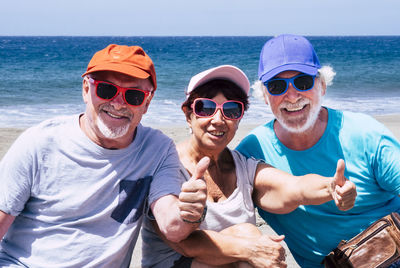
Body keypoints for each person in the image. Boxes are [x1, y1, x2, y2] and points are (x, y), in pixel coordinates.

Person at [0, 44, 208, 267]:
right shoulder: (39, 144)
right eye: (106, 90)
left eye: (134, 96)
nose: (118, 103)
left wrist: (191, 211)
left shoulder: (157, 149)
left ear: (147, 103)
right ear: (86, 90)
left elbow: (172, 226)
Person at [141, 65, 357, 268]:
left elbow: (294, 187)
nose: (218, 119)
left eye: (231, 110)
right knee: (249, 238)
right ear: (189, 115)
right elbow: (184, 243)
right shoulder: (166, 167)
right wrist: (252, 248)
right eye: (205, 108)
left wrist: (331, 187)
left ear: (239, 118)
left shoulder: (243, 167)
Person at [236, 34, 400, 267]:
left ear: (322, 84)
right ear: (264, 95)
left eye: (303, 82)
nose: (292, 96)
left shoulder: (365, 134)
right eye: (276, 86)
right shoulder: (251, 153)